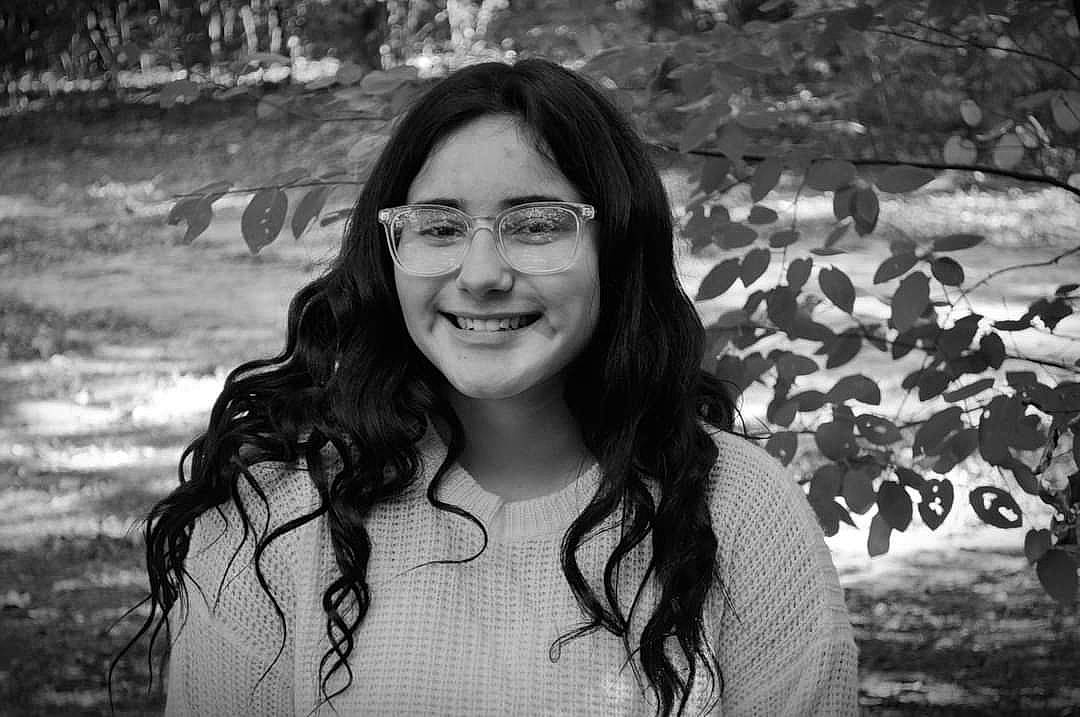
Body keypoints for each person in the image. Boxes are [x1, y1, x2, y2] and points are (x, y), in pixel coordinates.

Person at [131, 58, 858, 716]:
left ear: (618, 248)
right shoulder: (278, 510)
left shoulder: (742, 512)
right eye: (439, 227)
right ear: (390, 255)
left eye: (536, 224)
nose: (480, 274)